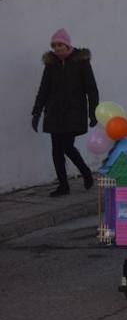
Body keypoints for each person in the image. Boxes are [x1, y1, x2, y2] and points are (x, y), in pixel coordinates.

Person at [31, 29, 99, 197]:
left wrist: (93, 112)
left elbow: (91, 88)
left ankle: (85, 171)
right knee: (56, 149)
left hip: (74, 112)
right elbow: (44, 89)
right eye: (54, 45)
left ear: (67, 45)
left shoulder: (81, 62)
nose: (57, 48)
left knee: (67, 146)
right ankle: (63, 185)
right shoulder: (51, 64)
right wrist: (37, 112)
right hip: (54, 113)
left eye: (60, 44)